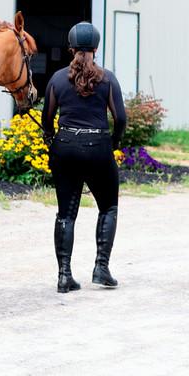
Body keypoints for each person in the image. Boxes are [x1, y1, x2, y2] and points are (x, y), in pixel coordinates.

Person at [41, 21, 126, 293]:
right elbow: (120, 118)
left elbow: (47, 118)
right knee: (108, 207)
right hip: (98, 145)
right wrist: (112, 142)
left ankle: (64, 276)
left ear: (70, 48)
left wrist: (52, 139)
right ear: (96, 48)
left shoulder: (56, 79)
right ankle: (101, 268)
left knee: (65, 214)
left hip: (65, 146)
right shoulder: (108, 79)